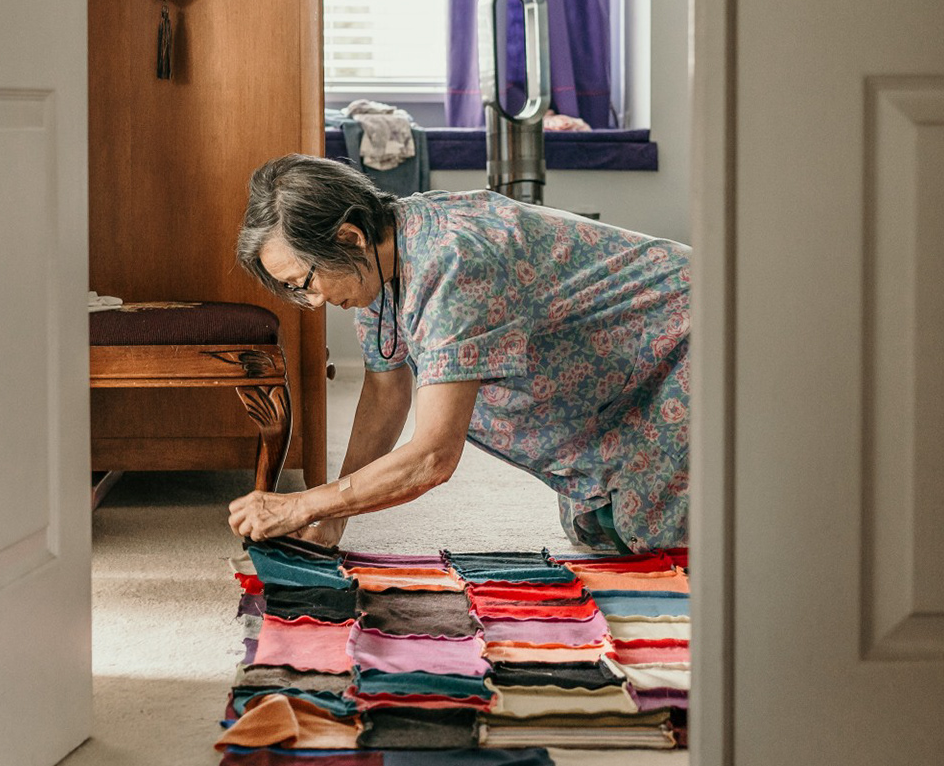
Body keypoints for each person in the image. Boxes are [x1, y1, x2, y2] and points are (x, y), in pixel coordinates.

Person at [228, 154, 691, 554]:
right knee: (594, 528)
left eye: (305, 282)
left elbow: (433, 456)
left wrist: (305, 503)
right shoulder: (381, 262)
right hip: (620, 386)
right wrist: (332, 518)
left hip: (691, 337)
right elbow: (386, 393)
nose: (311, 302)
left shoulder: (452, 261)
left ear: (349, 237)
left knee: (659, 541)